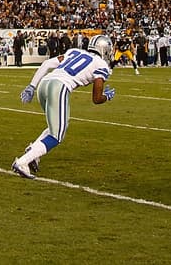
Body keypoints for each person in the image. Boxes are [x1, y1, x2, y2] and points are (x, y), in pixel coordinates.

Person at [10, 33, 115, 178]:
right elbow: (96, 98)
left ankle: (33, 151)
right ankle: (22, 162)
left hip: (44, 83)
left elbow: (47, 64)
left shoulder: (74, 51)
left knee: (56, 126)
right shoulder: (101, 64)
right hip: (59, 87)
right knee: (57, 135)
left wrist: (31, 86)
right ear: (104, 50)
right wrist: (106, 97)